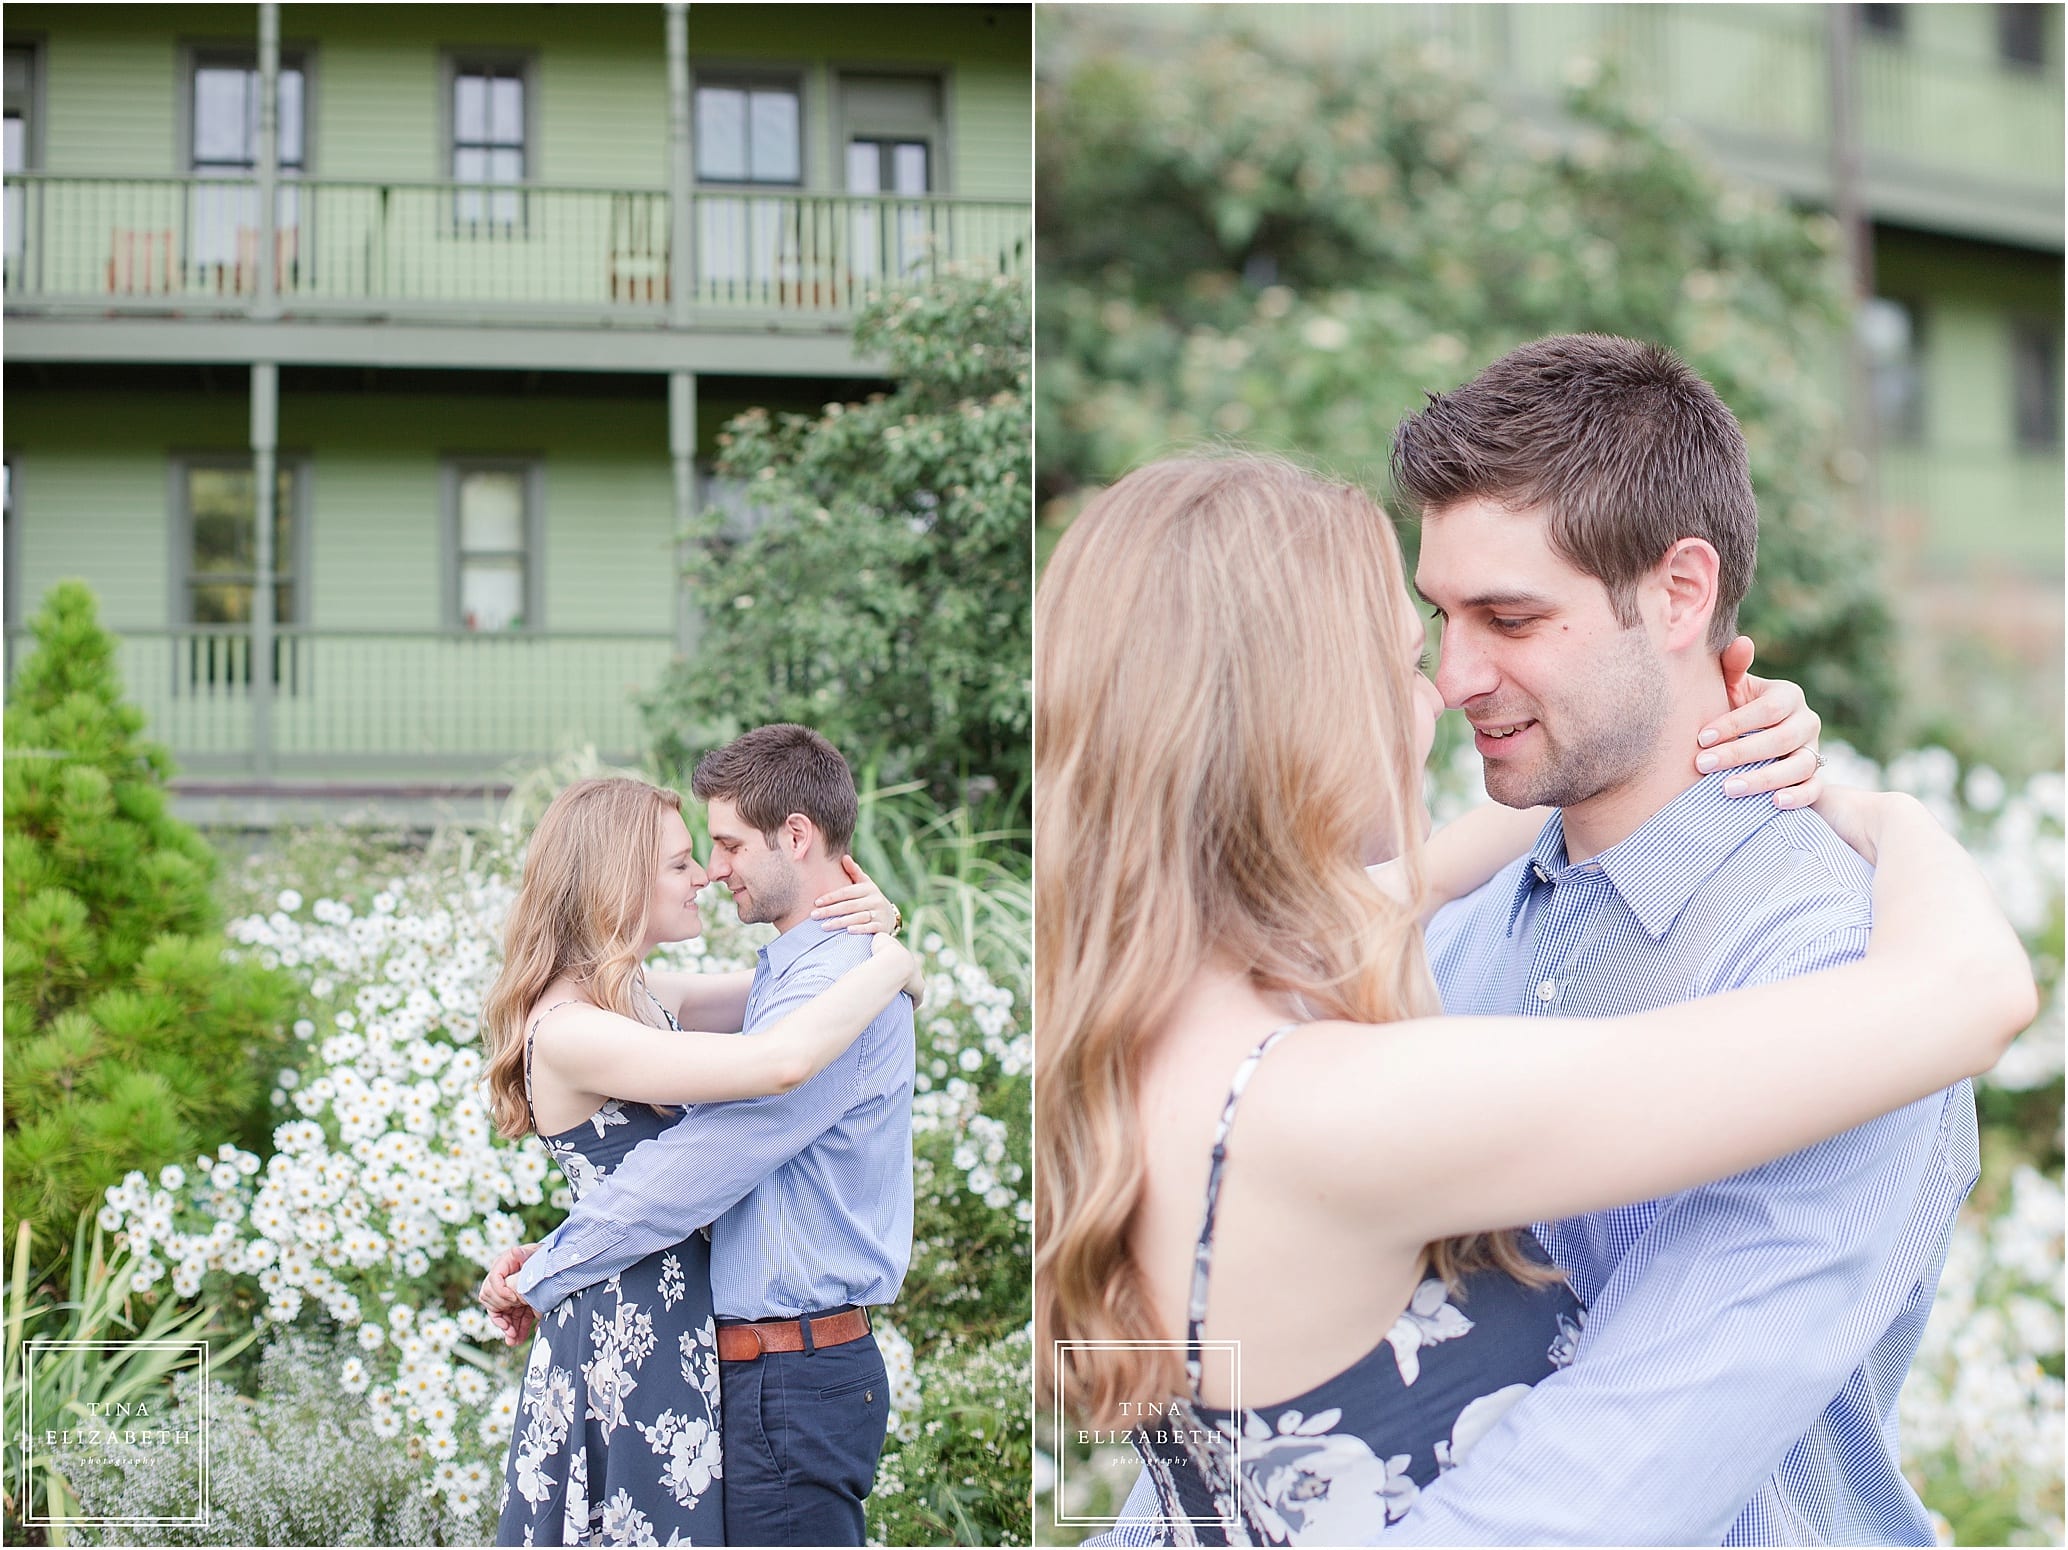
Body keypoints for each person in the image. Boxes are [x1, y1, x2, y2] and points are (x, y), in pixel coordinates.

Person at [1035, 445, 2033, 1544]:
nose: (1449, 690)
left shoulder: (1159, 1019)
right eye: (1415, 655)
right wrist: (1894, 819)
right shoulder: (1339, 1097)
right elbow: (1968, 990)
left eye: (1502, 621)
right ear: (1293, 715)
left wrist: (1657, 718)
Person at [482, 726, 918, 1548]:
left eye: (713, 850)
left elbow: (787, 995)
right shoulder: (575, 1028)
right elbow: (776, 1059)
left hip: (686, 1339)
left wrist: (890, 949)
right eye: (683, 862)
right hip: (627, 1332)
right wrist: (893, 963)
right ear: (617, 882)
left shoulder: (646, 994)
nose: (707, 875)